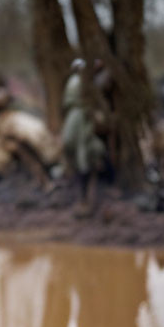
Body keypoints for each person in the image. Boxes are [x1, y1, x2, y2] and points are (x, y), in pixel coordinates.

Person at [61, 59, 106, 215]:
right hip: (73, 113)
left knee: (83, 152)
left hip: (84, 115)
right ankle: (78, 187)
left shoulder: (92, 82)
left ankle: (85, 198)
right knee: (68, 143)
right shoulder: (73, 80)